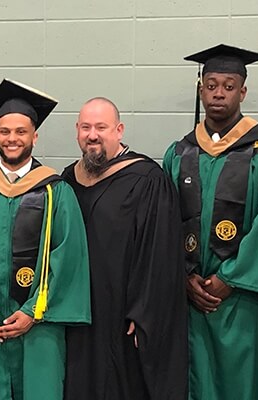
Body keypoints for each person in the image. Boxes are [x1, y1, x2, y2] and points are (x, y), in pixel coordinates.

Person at [162, 43, 258, 399]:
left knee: (243, 383)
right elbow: (165, 222)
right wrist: (184, 274)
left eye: (229, 86)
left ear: (243, 92)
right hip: (190, 297)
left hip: (242, 301)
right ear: (201, 88)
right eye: (211, 84)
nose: (219, 93)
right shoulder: (179, 152)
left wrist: (229, 278)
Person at [0, 79, 91, 400]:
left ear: (34, 137)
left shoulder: (56, 193)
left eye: (21, 132)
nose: (12, 139)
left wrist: (32, 312)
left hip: (38, 328)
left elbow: (67, 262)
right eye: (5, 132)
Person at [61, 97, 188, 400]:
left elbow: (160, 254)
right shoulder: (67, 179)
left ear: (119, 130)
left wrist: (143, 311)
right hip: (76, 311)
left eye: (101, 127)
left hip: (121, 314)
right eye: (86, 127)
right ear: (77, 130)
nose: (93, 135)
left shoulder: (146, 179)